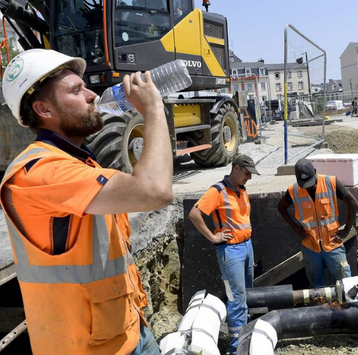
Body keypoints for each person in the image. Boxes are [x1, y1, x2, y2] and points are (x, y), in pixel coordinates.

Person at [0, 49, 173, 354]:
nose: (93, 95)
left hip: (128, 329)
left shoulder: (82, 165)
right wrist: (154, 111)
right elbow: (154, 191)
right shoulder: (39, 172)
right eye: (77, 90)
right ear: (44, 109)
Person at [188, 154, 260, 355]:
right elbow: (194, 214)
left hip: (246, 247)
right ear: (236, 168)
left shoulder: (242, 190)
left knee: (248, 294)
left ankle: (247, 338)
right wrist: (213, 237)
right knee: (237, 299)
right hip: (231, 251)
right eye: (246, 173)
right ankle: (237, 348)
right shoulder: (217, 191)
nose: (249, 177)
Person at [278, 158, 358, 288]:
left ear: (315, 172)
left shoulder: (330, 182)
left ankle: (345, 306)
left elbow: (353, 203)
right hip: (310, 247)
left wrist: (347, 229)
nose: (310, 186)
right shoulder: (294, 190)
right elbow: (281, 207)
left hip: (333, 244)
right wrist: (295, 228)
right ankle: (321, 307)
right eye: (305, 184)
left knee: (344, 283)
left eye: (311, 182)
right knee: (317, 287)